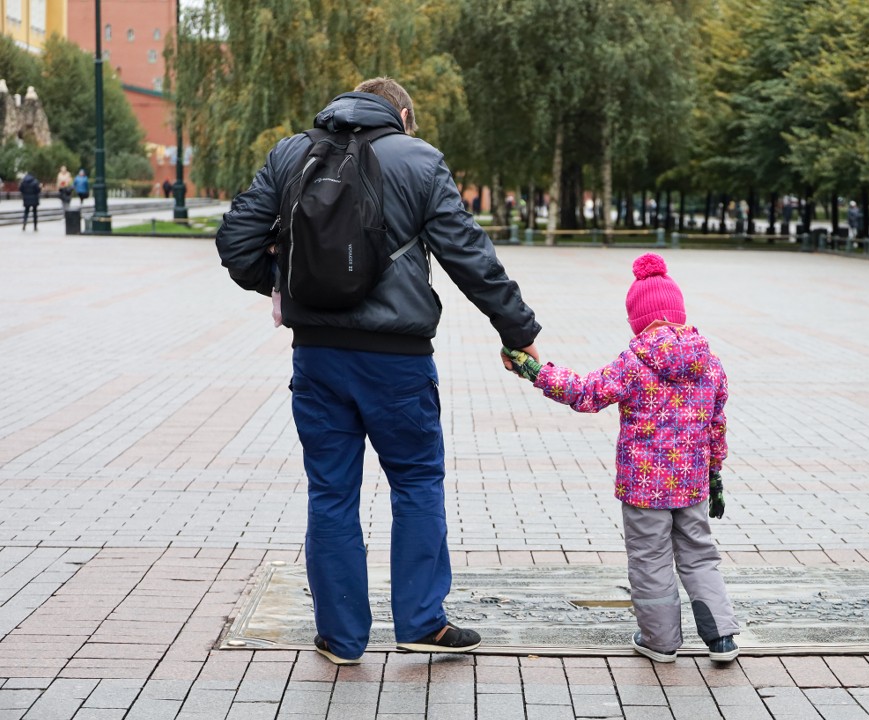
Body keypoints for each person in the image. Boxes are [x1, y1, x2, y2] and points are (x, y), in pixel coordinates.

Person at [216, 77, 540, 665]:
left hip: (316, 357)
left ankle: (340, 639)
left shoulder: (292, 153)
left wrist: (294, 287)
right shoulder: (419, 160)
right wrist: (517, 330)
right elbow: (468, 253)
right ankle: (421, 621)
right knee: (416, 482)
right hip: (397, 361)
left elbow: (237, 244)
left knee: (331, 491)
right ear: (404, 115)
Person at [503, 253, 740, 664]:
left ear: (638, 319)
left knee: (650, 560)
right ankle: (721, 637)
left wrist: (534, 371)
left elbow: (585, 393)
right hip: (693, 484)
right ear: (680, 312)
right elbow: (716, 425)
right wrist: (714, 473)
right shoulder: (711, 364)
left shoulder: (634, 363)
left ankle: (660, 642)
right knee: (700, 554)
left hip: (644, 488)